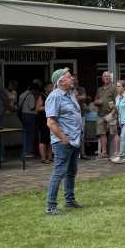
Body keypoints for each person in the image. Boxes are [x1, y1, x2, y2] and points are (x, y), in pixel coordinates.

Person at [44, 69, 84, 215]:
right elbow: (51, 122)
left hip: (75, 138)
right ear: (61, 81)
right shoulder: (54, 97)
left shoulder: (71, 94)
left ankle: (69, 200)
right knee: (59, 173)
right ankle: (51, 207)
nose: (72, 79)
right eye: (68, 77)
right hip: (64, 141)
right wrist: (63, 138)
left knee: (71, 172)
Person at [93, 71, 117, 159]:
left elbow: (117, 101)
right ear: (102, 79)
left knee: (114, 133)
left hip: (111, 113)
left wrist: (114, 112)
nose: (107, 78)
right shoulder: (99, 89)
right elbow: (95, 101)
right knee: (101, 133)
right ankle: (104, 153)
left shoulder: (114, 88)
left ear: (110, 78)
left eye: (108, 77)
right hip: (100, 114)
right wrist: (97, 102)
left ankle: (116, 152)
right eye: (105, 77)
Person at [17, 82, 40, 159]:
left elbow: (19, 105)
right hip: (30, 115)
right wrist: (37, 104)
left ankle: (24, 151)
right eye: (36, 91)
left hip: (23, 115)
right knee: (30, 134)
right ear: (34, 90)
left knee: (25, 134)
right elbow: (32, 107)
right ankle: (28, 152)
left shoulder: (22, 94)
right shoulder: (31, 96)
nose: (37, 92)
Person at [35, 81, 53, 163]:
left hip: (51, 119)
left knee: (50, 139)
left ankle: (50, 157)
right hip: (43, 119)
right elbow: (38, 108)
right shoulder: (41, 96)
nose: (52, 88)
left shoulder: (52, 96)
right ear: (46, 88)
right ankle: (43, 157)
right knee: (44, 139)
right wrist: (48, 106)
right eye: (50, 87)